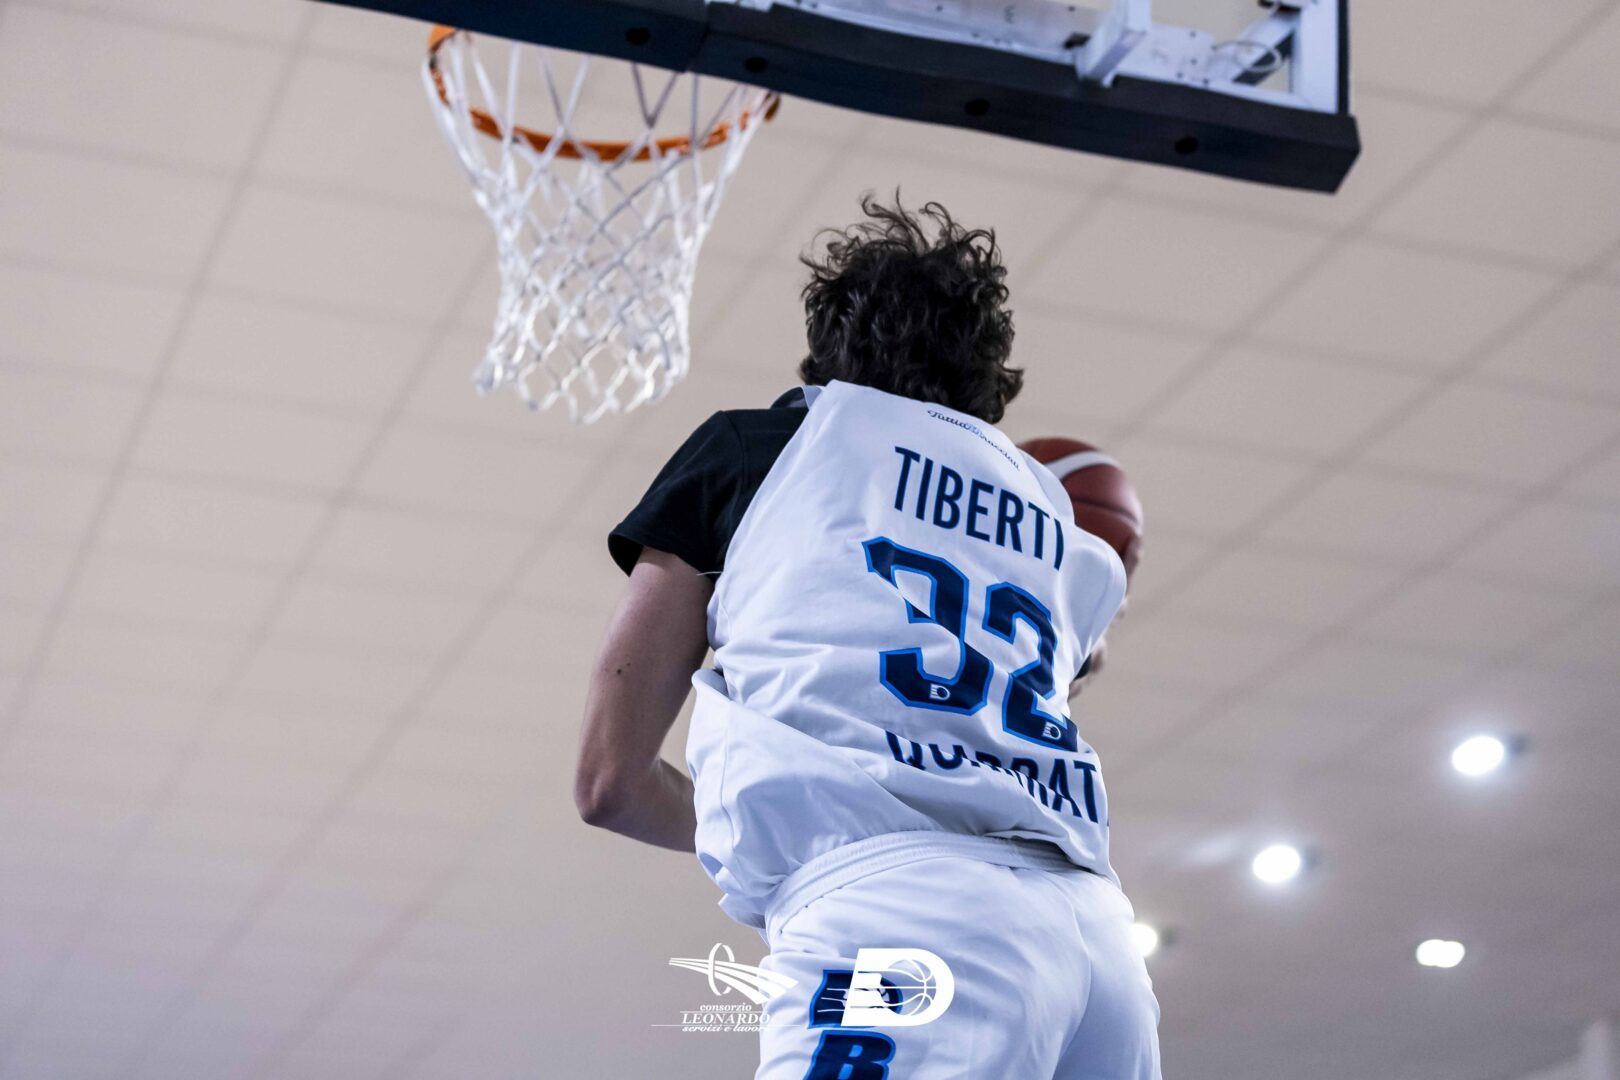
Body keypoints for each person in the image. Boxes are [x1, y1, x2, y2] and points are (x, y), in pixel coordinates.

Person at [575, 195, 1161, 1078]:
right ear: (991, 384)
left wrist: (776, 819)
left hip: (903, 918)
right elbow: (1074, 659)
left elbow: (607, 784)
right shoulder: (1053, 518)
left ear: (828, 356)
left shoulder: (762, 449)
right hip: (1097, 944)